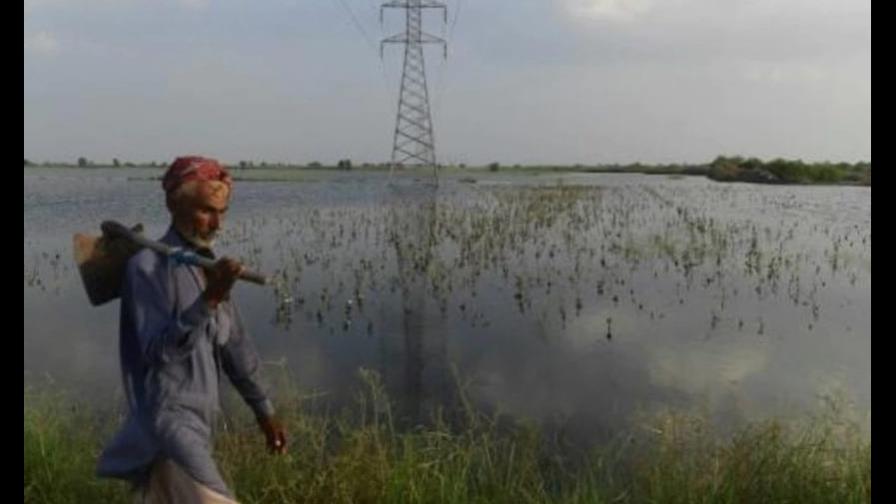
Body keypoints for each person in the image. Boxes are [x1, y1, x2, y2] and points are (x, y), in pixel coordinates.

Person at [97, 156, 287, 503]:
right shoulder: (147, 269)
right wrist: (210, 298)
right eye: (206, 210)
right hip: (169, 427)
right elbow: (158, 353)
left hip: (200, 425)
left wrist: (264, 411)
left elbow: (236, 348)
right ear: (173, 204)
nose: (216, 223)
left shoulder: (208, 266)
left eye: (222, 211)